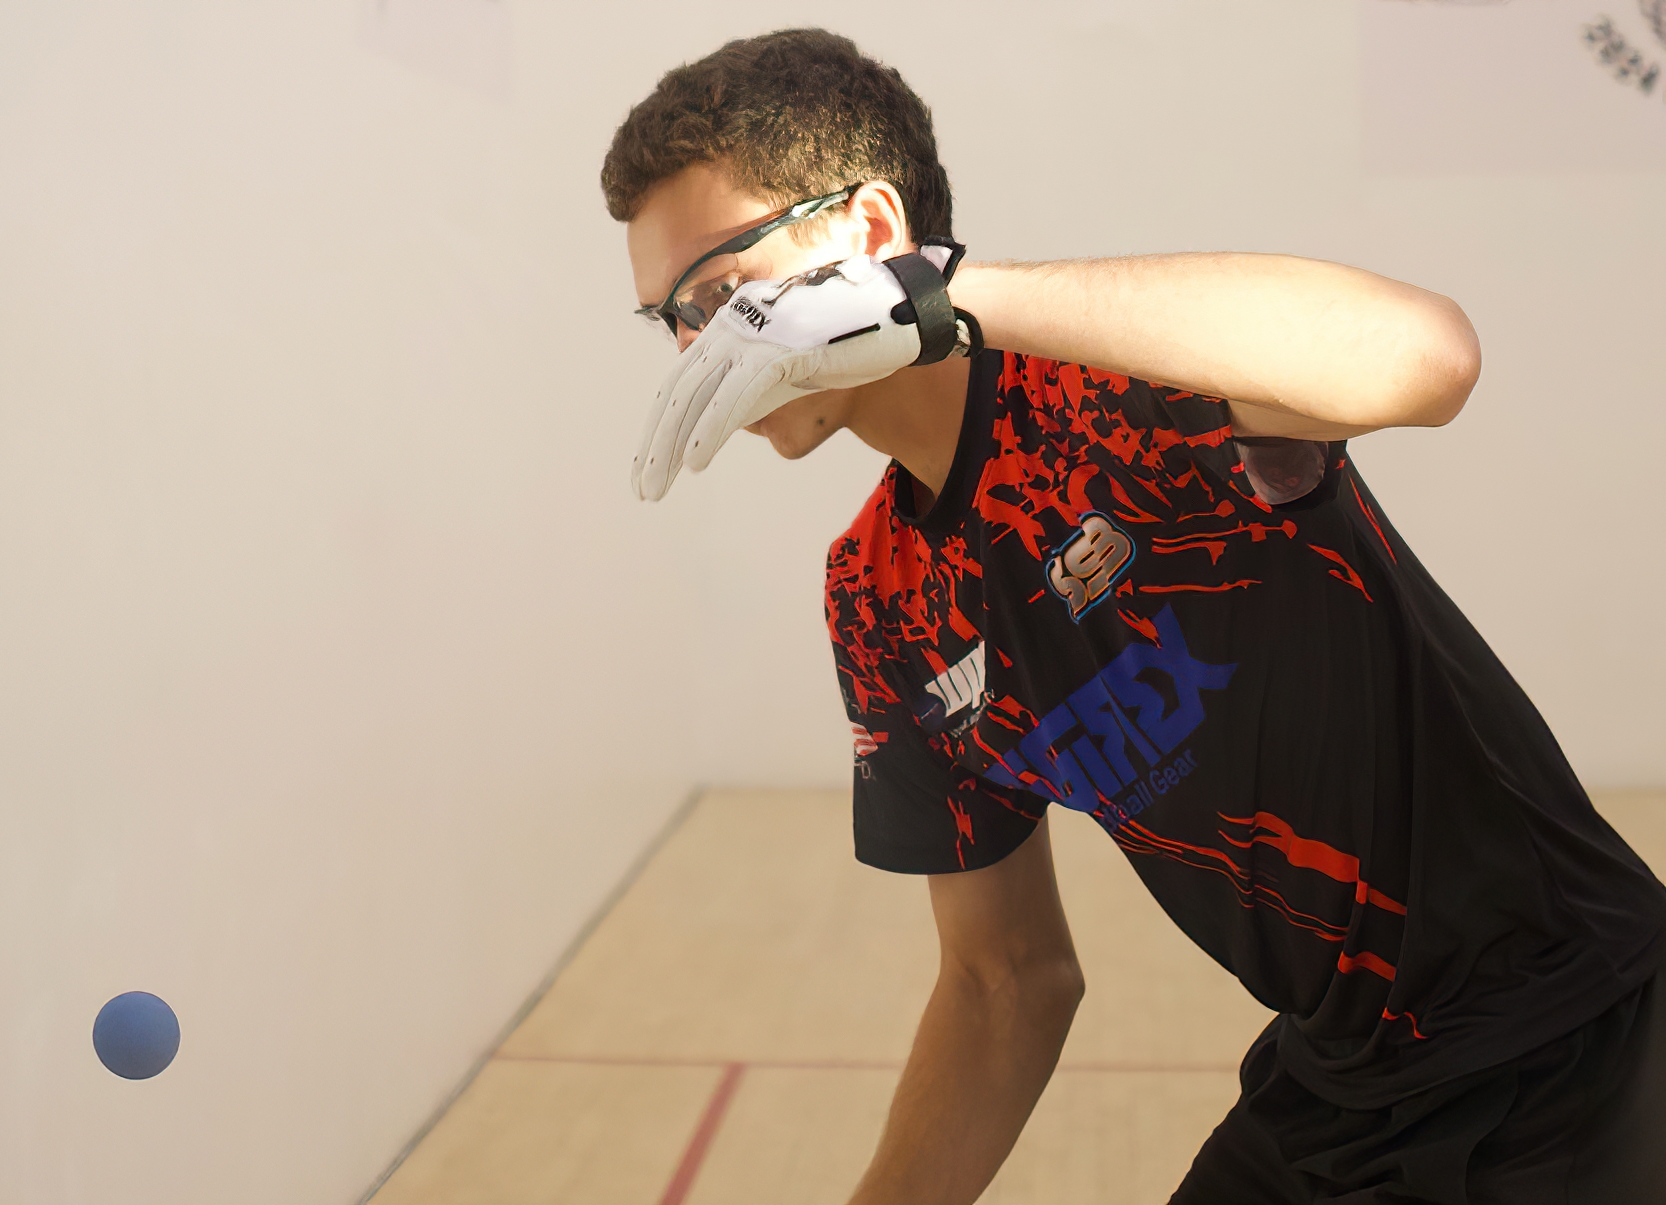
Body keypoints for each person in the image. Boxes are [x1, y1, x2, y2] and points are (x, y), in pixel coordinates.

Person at [601, 28, 1666, 1204]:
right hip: (1343, 1090)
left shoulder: (1123, 384)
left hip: (1590, 1040)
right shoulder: (878, 595)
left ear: (865, 233)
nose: (699, 351)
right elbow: (1005, 980)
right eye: (670, 320)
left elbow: (1431, 358)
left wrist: (931, 298)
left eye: (722, 293)